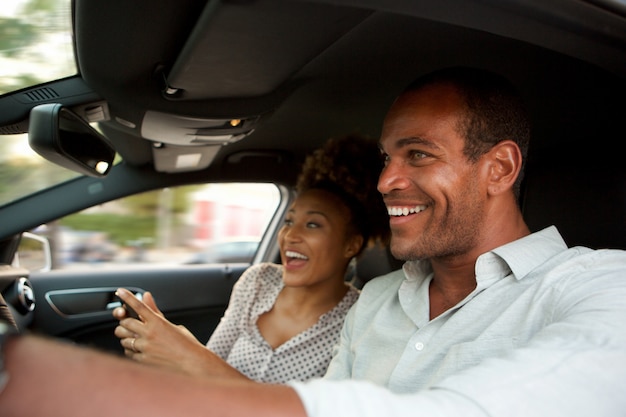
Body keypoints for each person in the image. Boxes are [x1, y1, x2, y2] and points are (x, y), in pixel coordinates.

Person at [2, 66, 626, 417]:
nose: (386, 180)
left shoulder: (598, 285)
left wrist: (188, 372)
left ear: (500, 168)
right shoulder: (381, 300)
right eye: (386, 158)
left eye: (418, 155)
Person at [113, 134, 390, 383]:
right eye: (290, 220)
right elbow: (208, 372)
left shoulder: (360, 319)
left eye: (313, 224)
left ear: (351, 245)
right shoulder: (257, 281)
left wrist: (187, 354)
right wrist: (162, 353)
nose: (290, 235)